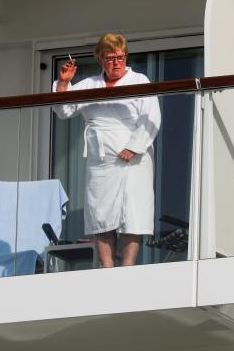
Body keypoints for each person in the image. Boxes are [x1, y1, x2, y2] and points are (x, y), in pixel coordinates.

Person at [52, 33, 161, 268]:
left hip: (134, 159)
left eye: (120, 57)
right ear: (100, 59)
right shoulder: (90, 85)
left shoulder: (139, 81)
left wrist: (134, 147)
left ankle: (128, 268)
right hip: (100, 158)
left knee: (132, 213)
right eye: (110, 58)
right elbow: (64, 111)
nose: (116, 63)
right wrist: (63, 83)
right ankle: (107, 267)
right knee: (100, 213)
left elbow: (152, 117)